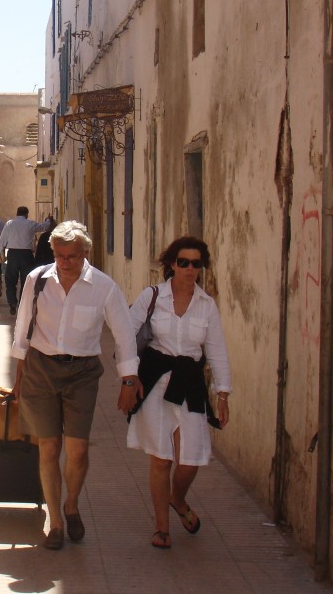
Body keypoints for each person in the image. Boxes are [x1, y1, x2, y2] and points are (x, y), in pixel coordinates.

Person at [11, 221, 142, 550]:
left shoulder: (104, 287)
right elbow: (23, 324)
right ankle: (55, 521)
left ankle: (72, 506)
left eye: (72, 256)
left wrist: (129, 378)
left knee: (78, 451)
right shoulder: (37, 279)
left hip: (82, 372)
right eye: (59, 255)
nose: (65, 262)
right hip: (41, 368)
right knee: (48, 448)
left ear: (86, 253)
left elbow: (125, 334)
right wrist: (19, 374)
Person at [122, 236, 231, 550]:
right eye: (183, 262)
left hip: (189, 383)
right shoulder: (153, 296)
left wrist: (222, 394)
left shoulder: (206, 306)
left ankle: (177, 499)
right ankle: (161, 527)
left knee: (191, 459)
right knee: (161, 459)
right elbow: (126, 334)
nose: (190, 269)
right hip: (156, 381)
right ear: (171, 264)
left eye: (196, 263)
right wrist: (129, 377)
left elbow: (218, 351)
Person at [0, 206, 48, 315]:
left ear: (17, 213)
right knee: (26, 281)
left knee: (10, 280)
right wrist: (48, 220)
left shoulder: (9, 224)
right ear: (26, 214)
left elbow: (2, 240)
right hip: (26, 255)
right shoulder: (30, 224)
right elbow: (43, 227)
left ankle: (12, 303)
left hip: (13, 254)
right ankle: (22, 304)